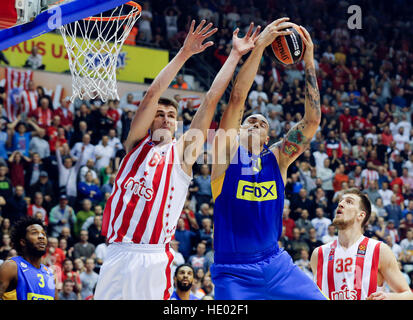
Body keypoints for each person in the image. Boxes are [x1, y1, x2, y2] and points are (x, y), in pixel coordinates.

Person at [95, 19, 256, 300]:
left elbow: (209, 101)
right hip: (117, 251)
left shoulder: (183, 152)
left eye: (172, 116)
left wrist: (234, 56)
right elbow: (153, 93)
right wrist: (183, 54)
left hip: (152, 255)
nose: (166, 118)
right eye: (160, 114)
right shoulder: (135, 144)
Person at [210, 18, 326, 300]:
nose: (255, 124)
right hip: (233, 271)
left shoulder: (278, 159)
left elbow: (312, 122)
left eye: (262, 124)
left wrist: (309, 61)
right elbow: (237, 98)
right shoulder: (226, 155)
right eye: (250, 121)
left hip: (277, 264)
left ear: (268, 138)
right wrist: (260, 47)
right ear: (239, 130)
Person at [310, 188, 413, 300]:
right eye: (340, 201)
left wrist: (388, 297)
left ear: (361, 215)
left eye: (348, 202)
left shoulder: (378, 250)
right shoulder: (318, 254)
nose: (340, 204)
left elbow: (408, 295)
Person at [0, 217, 57, 300]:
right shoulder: (11, 266)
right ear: (23, 242)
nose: (41, 237)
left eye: (43, 234)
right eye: (34, 233)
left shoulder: (51, 274)